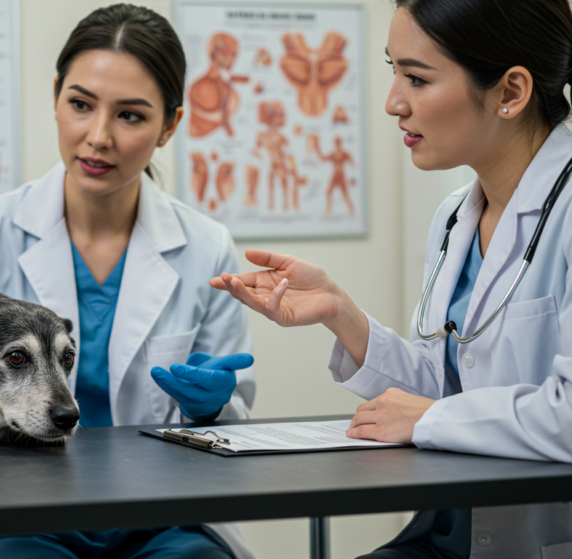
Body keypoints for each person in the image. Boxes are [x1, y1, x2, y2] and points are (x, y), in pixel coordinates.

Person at [214, 0, 572, 557]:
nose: (392, 103)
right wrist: (340, 312)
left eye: (417, 78)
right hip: (444, 531)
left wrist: (431, 416)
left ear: (510, 92)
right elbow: (440, 395)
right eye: (393, 71)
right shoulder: (456, 218)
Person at [0, 4, 256, 559]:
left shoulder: (206, 247)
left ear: (169, 125)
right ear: (56, 97)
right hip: (14, 506)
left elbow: (228, 425)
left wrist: (213, 408)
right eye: (80, 105)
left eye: (130, 116)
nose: (97, 136)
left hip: (162, 509)